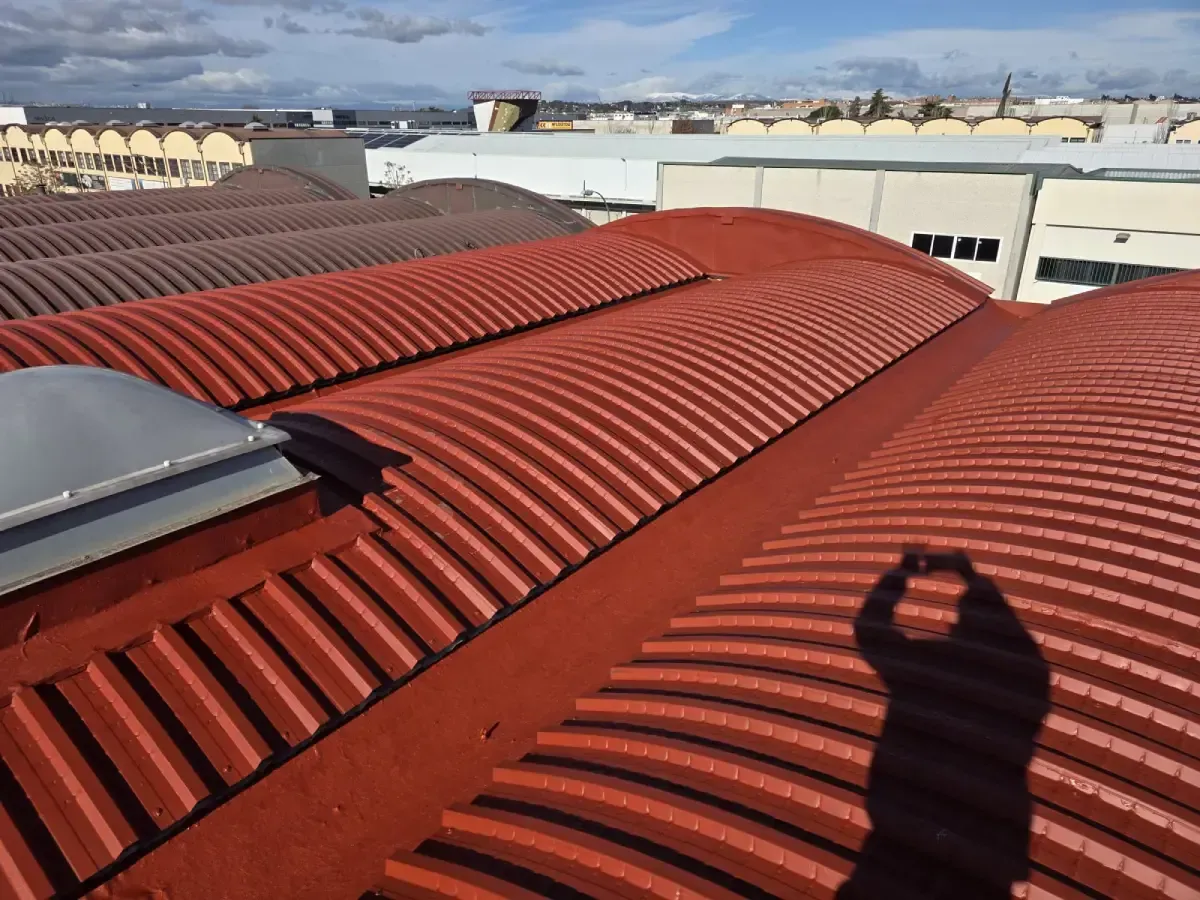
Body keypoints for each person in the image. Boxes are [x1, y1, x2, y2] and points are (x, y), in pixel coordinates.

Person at [837, 550, 1050, 899]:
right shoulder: (1024, 680)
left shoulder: (924, 664)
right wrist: (974, 580)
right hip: (981, 851)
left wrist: (900, 574)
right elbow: (1028, 653)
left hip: (900, 842)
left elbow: (869, 631)